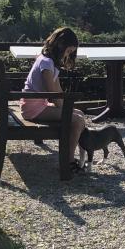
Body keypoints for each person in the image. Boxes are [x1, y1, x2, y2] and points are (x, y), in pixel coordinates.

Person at [21, 26, 89, 171]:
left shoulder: (48, 61)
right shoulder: (46, 64)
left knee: (79, 114)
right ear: (61, 45)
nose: (68, 55)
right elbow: (54, 95)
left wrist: (67, 108)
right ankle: (68, 161)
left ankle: (71, 156)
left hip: (35, 104)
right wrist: (65, 110)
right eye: (69, 51)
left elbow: (58, 91)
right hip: (33, 108)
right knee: (76, 120)